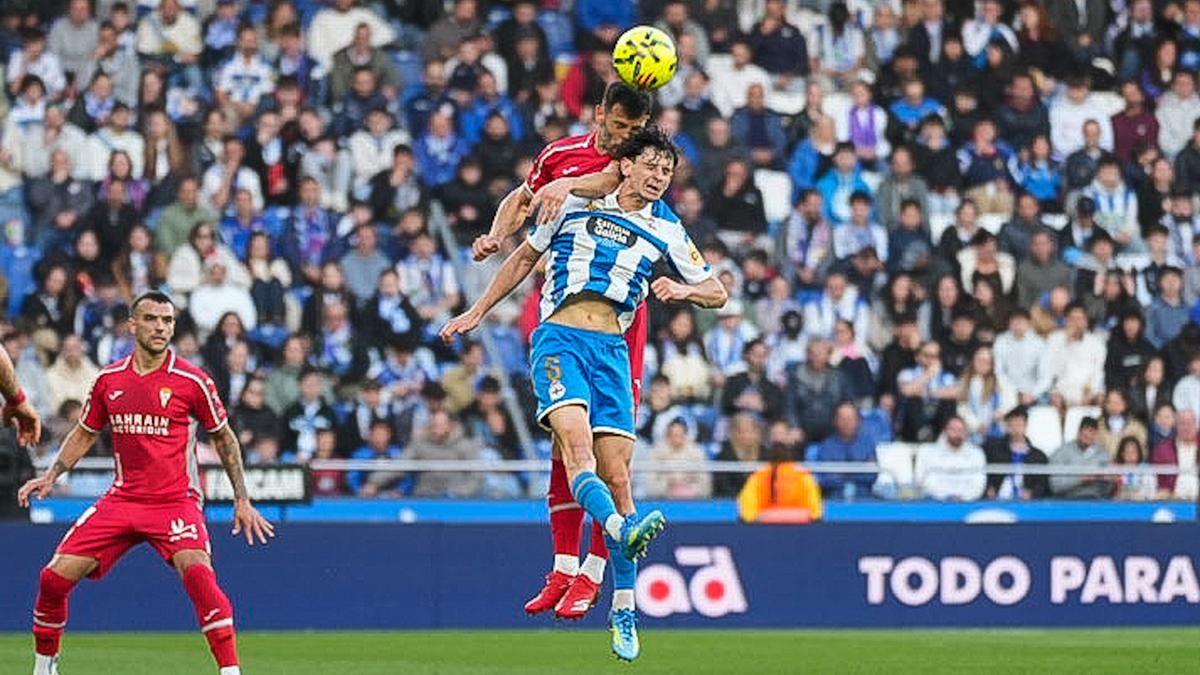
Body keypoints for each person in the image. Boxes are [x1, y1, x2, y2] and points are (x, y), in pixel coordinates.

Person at [441, 126, 726, 661]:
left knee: (617, 477)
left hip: (613, 354)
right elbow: (525, 258)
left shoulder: (666, 226)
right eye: (652, 167)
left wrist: (682, 289)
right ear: (625, 166)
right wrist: (478, 311)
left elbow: (718, 290)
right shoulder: (572, 202)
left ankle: (623, 609)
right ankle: (618, 530)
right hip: (561, 339)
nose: (660, 177)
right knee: (575, 448)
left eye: (667, 171)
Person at [469, 82, 652, 621]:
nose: (625, 139)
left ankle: (595, 575)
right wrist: (497, 234)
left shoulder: (637, 164)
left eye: (634, 132)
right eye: (618, 128)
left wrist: (567, 187)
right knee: (563, 440)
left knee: (610, 456)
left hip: (620, 322)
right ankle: (564, 567)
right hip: (564, 311)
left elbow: (600, 182)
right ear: (600, 115)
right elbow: (522, 199)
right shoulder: (559, 153)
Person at [17, 291, 273, 675]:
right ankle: (44, 667)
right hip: (123, 500)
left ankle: (231, 671)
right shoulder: (109, 380)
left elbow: (224, 437)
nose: (160, 327)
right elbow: (86, 432)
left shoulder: (192, 380)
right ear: (132, 325)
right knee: (52, 579)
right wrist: (52, 475)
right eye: (152, 319)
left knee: (200, 575)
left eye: (167, 321)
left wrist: (242, 498)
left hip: (175, 501)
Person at [915, 415, 987, 500]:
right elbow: (922, 481)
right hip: (934, 503)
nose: (957, 434)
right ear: (945, 431)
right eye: (953, 429)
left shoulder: (976, 453)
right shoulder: (928, 452)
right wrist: (947, 497)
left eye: (961, 430)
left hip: (967, 504)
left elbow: (979, 483)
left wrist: (963, 498)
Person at [984, 406, 1049, 499]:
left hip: (1026, 503)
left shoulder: (1038, 456)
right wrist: (989, 488)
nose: (1015, 429)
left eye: (1019, 424)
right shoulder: (993, 450)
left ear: (1026, 426)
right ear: (1007, 426)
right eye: (1012, 424)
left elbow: (1042, 484)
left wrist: (1032, 493)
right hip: (998, 500)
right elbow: (985, 474)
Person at [1050, 416, 1116, 498]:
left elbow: (1109, 487)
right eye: (1087, 430)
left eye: (1093, 432)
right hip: (1068, 501)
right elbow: (1055, 486)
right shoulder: (1061, 452)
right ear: (1079, 431)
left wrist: (1104, 478)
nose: (1089, 435)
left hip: (1096, 500)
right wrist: (1081, 479)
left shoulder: (1103, 454)